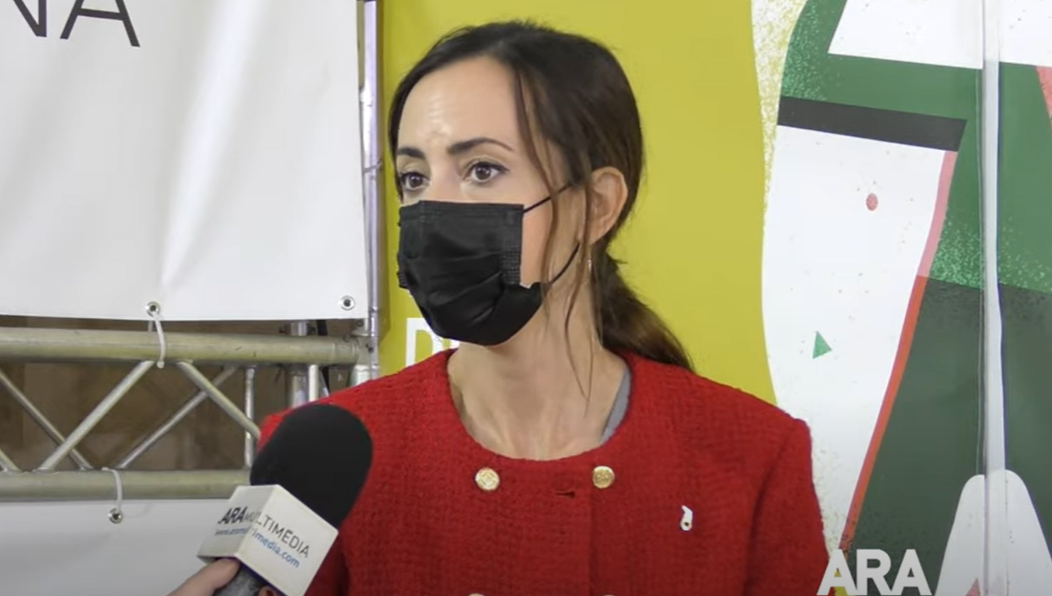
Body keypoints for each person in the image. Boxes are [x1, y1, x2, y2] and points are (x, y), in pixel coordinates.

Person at [173, 19, 828, 596]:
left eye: (481, 170)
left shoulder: (752, 456)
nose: (434, 207)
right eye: (413, 178)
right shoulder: (323, 453)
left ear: (596, 205)